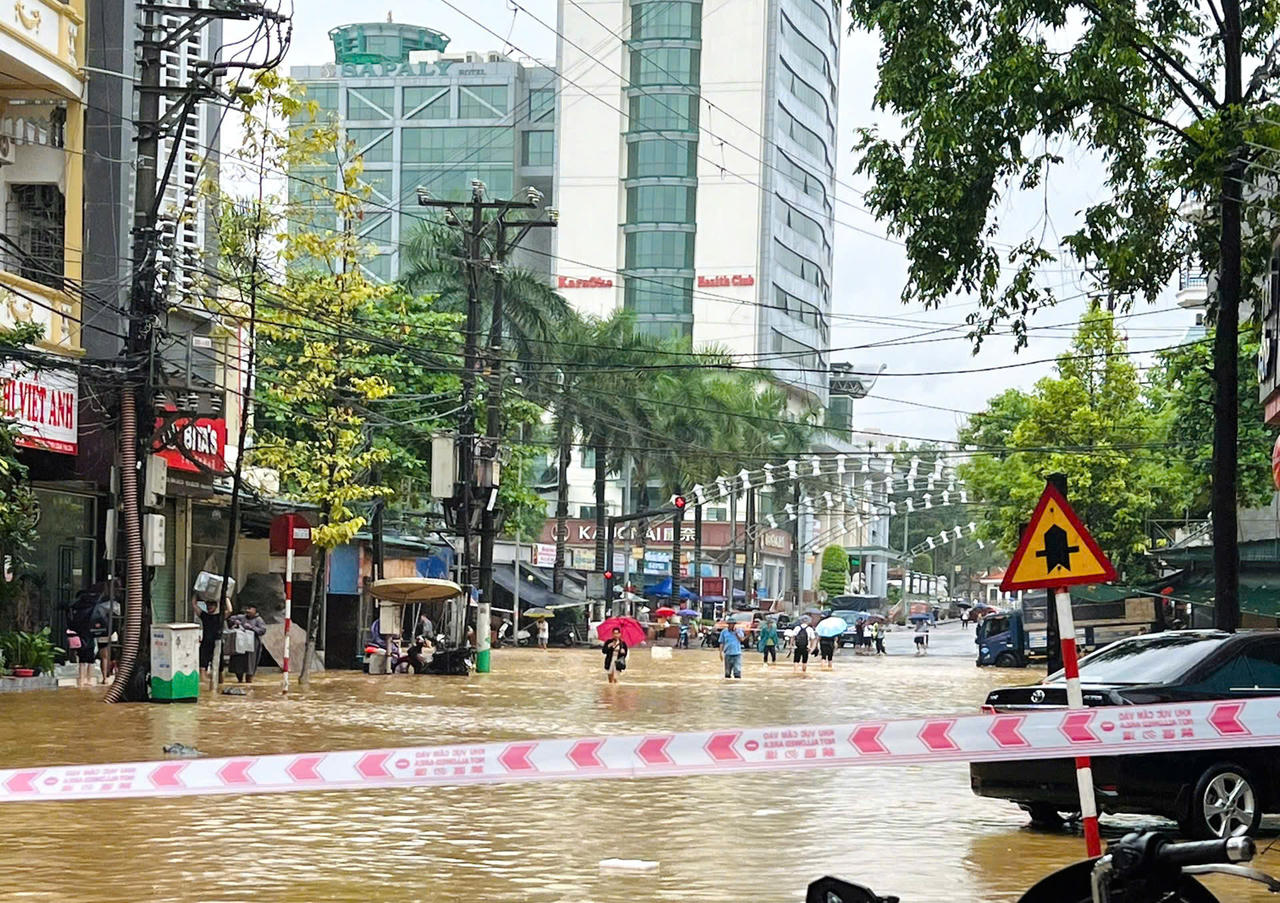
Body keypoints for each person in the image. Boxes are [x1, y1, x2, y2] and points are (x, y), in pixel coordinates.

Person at [65, 590, 98, 689]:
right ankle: (88, 679)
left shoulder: (75, 608)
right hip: (89, 635)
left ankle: (81, 679)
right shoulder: (92, 608)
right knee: (90, 659)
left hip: (80, 636)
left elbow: (71, 623)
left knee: (82, 660)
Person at [227, 605, 267, 683]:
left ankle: (249, 681)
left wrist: (252, 627)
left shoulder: (258, 620)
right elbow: (230, 618)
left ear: (255, 611)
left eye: (250, 609)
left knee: (250, 664)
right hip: (240, 643)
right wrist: (235, 622)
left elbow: (262, 631)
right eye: (247, 609)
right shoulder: (241, 617)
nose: (248, 611)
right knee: (237, 662)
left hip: (252, 645)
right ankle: (239, 681)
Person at [196, 595, 227, 675]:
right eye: (208, 605)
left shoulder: (220, 616)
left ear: (216, 606)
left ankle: (218, 684)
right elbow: (194, 605)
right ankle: (204, 683)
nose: (209, 607)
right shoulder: (204, 616)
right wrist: (195, 595)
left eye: (211, 606)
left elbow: (230, 610)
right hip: (206, 643)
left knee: (220, 668)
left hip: (217, 643)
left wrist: (226, 597)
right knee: (202, 665)